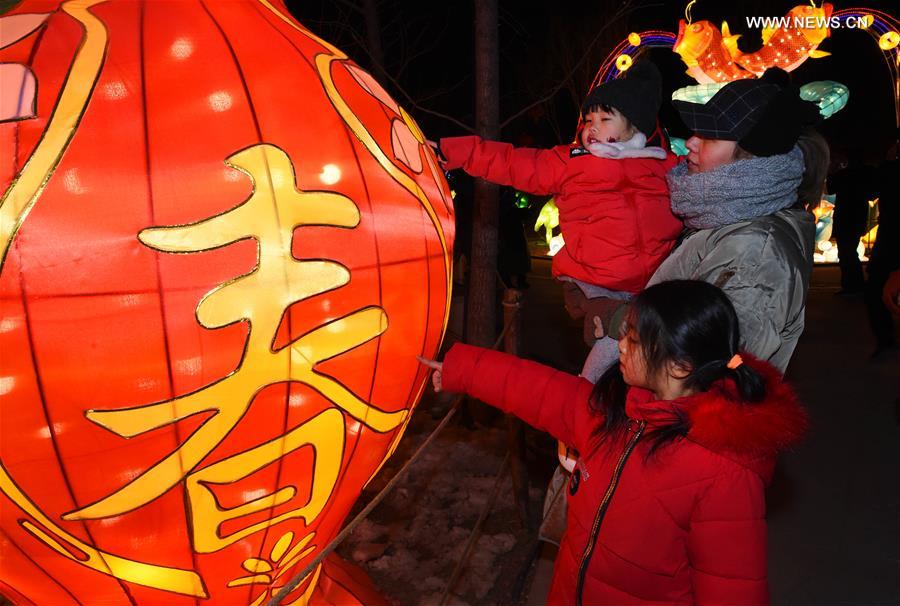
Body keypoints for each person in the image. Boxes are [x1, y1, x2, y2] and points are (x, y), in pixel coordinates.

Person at [419, 280, 807, 605]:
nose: (620, 346)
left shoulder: (724, 473)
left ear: (679, 366)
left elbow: (732, 590)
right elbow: (538, 390)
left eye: (634, 340)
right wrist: (459, 369)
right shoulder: (615, 409)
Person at [436, 60, 683, 381]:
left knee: (660, 356)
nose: (592, 127)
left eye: (605, 119)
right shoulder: (571, 163)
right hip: (596, 283)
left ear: (635, 126)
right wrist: (454, 151)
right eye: (588, 120)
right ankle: (584, 396)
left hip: (653, 284)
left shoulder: (663, 166)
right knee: (614, 348)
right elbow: (512, 162)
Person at [572, 68, 828, 374]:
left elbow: (712, 359)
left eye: (710, 136)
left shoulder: (755, 252)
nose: (691, 142)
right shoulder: (725, 217)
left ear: (750, 159)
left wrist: (620, 318)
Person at [866, 137, 899, 358]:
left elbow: (872, 191)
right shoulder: (890, 171)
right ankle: (885, 339)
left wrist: (887, 163)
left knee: (877, 292)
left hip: (891, 238)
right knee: (877, 291)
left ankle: (885, 339)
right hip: (889, 238)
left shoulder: (890, 170)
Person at [828, 152, 876, 295]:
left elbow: (830, 188)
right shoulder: (865, 175)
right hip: (857, 217)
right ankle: (855, 284)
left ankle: (852, 285)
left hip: (845, 217)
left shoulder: (844, 175)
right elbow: (872, 194)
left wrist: (833, 172)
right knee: (849, 251)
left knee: (846, 252)